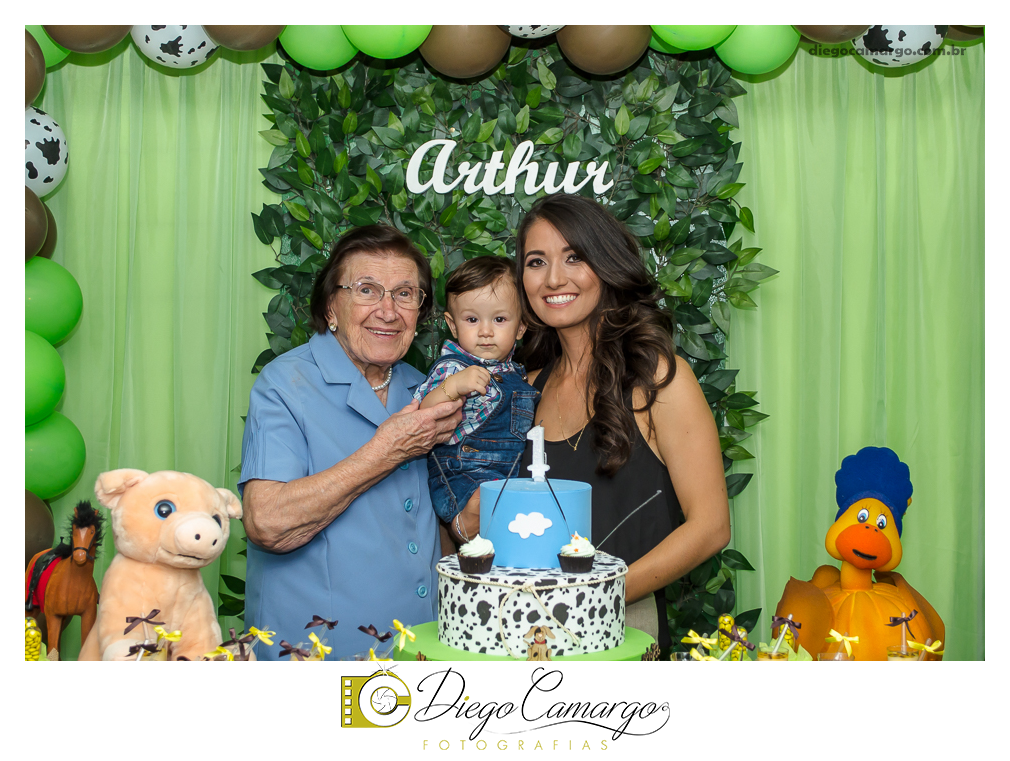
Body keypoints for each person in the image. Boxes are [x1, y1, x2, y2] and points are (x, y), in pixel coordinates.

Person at [450, 194, 731, 650]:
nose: (555, 278)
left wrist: (590, 598)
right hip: (520, 635)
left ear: (605, 263)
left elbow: (711, 527)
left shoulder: (658, 379)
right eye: (537, 261)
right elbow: (482, 520)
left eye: (574, 257)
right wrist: (465, 526)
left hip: (623, 624)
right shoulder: (523, 390)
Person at [238, 225, 463, 660]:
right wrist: (386, 451)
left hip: (418, 645)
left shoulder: (425, 388)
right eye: (367, 290)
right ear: (331, 307)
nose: (388, 310)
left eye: (405, 293)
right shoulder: (286, 383)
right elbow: (266, 522)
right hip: (316, 648)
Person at [413, 256, 537, 531]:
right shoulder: (454, 367)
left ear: (520, 327)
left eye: (500, 319)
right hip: (462, 478)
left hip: (506, 477)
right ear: (453, 324)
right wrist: (454, 386)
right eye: (471, 319)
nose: (485, 331)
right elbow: (424, 413)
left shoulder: (516, 374)